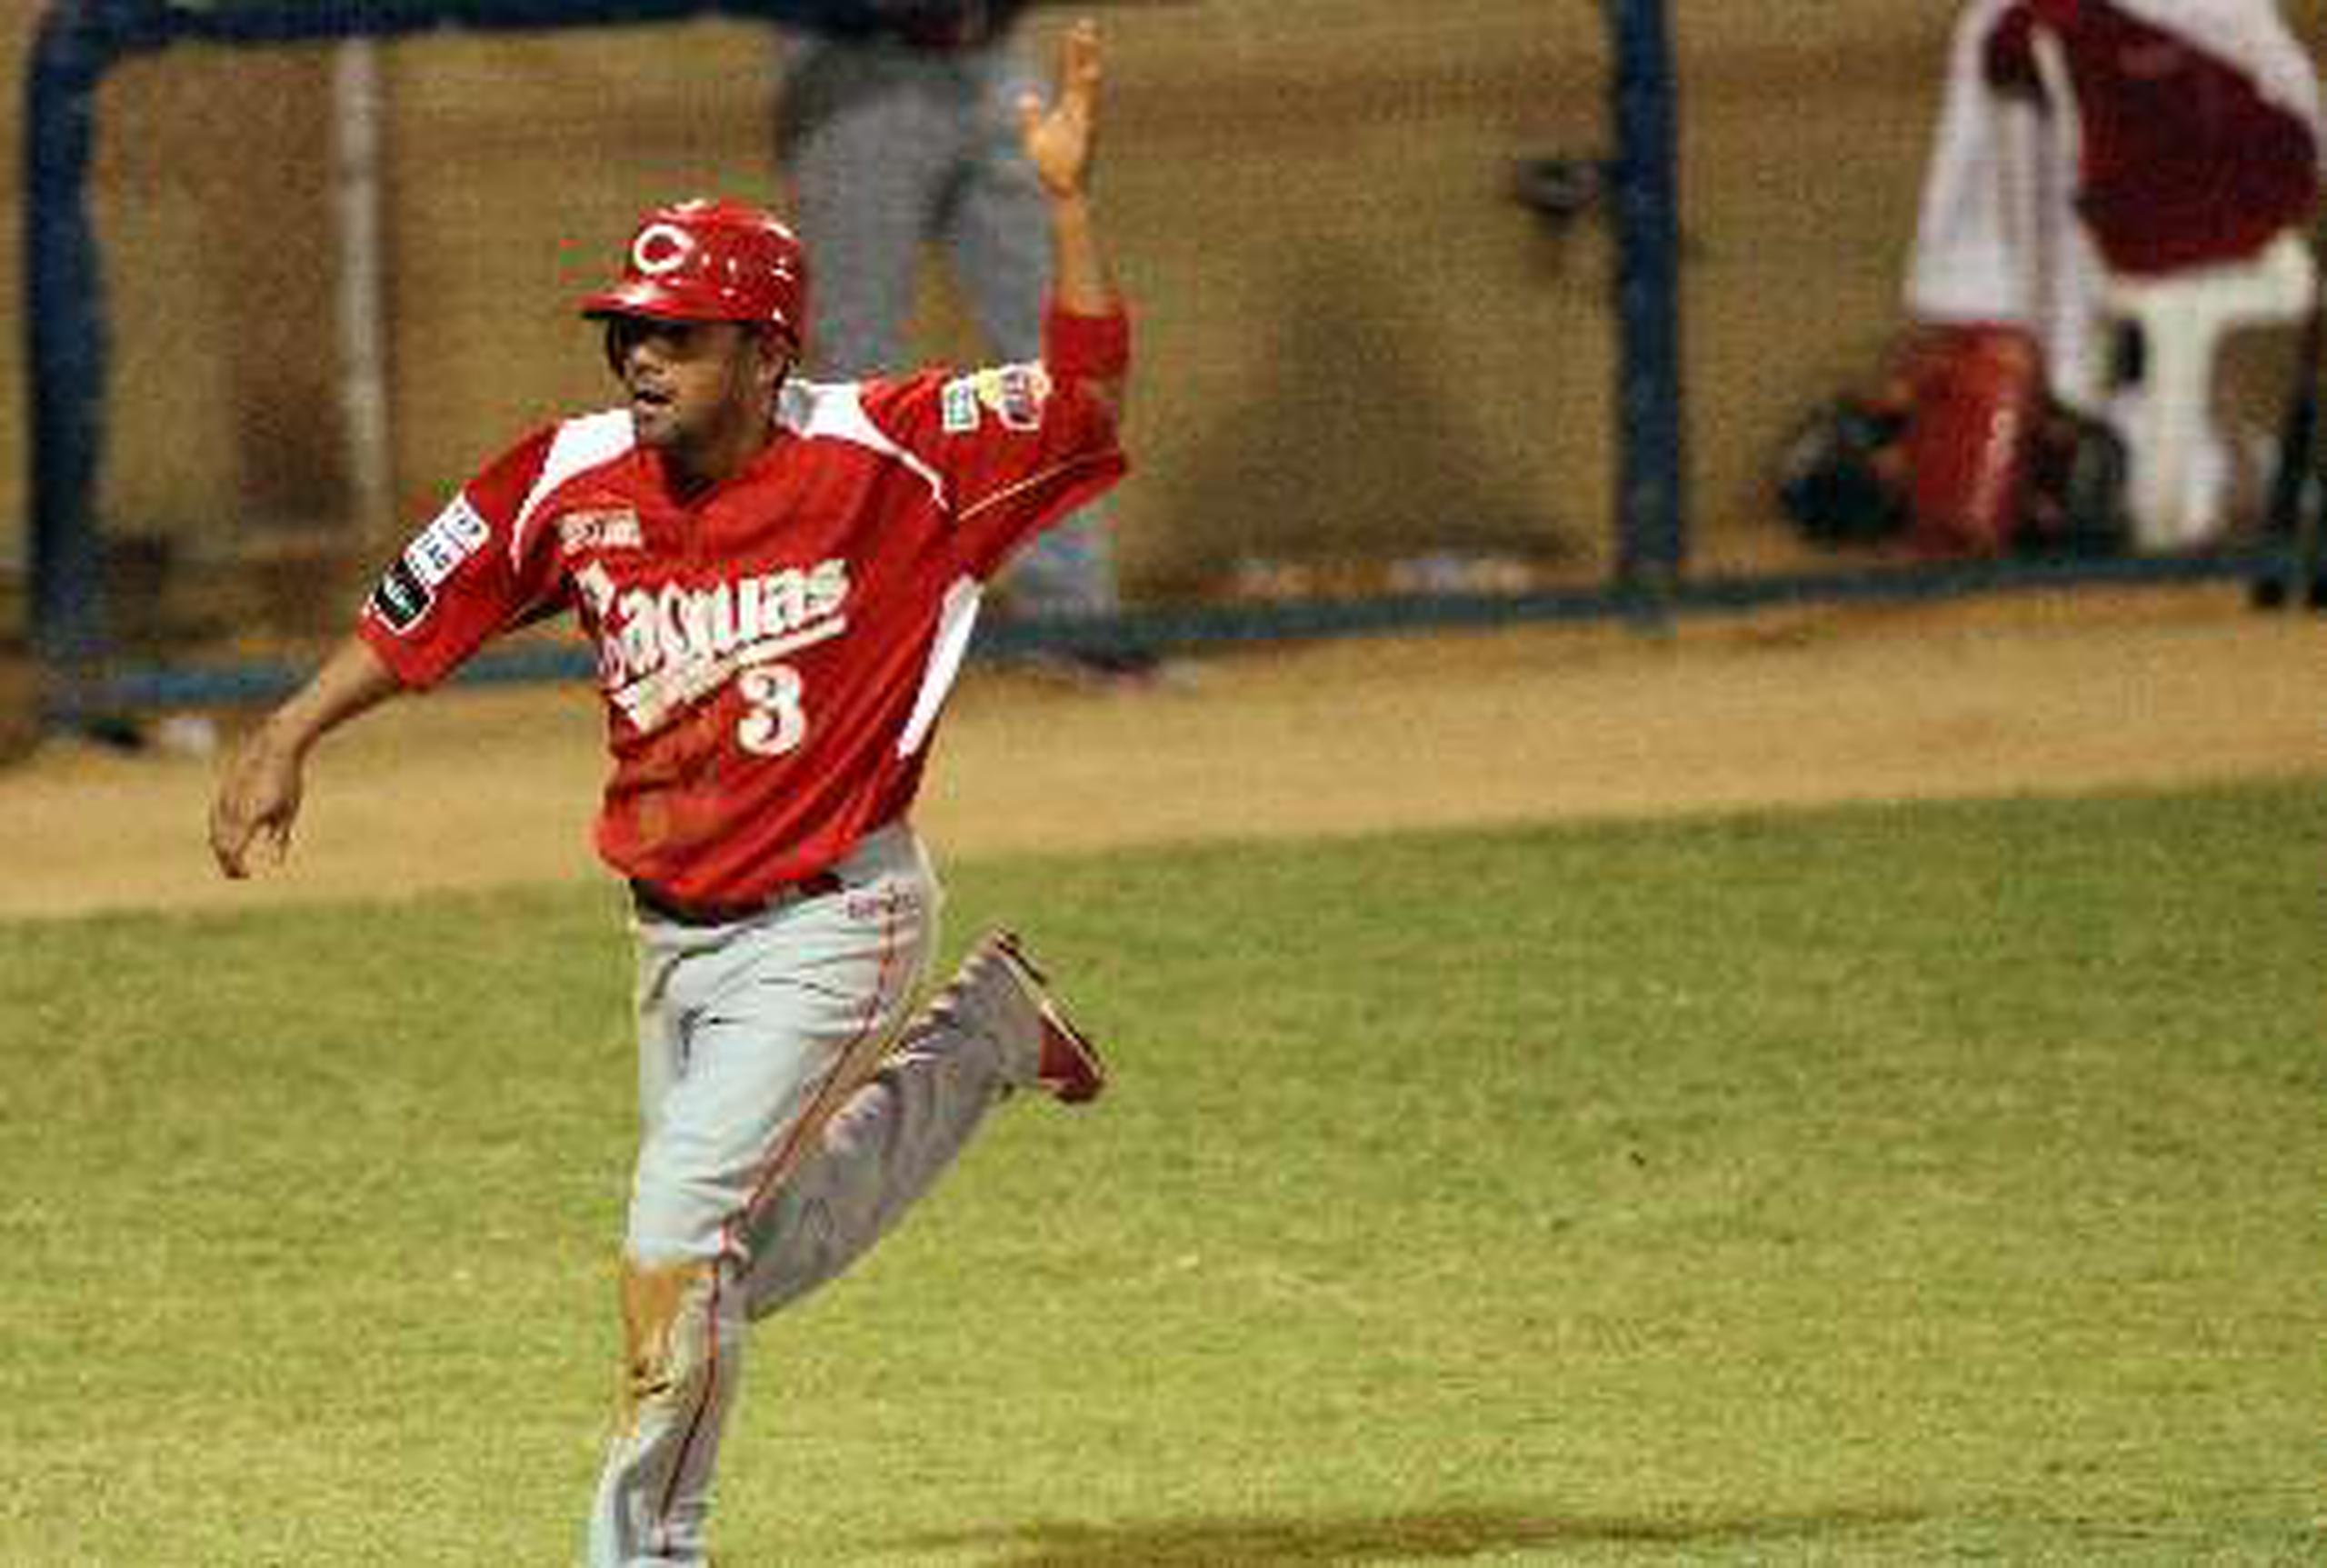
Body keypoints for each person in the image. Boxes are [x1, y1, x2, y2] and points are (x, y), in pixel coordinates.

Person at [207, 22, 1128, 1565]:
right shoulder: (567, 478)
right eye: (630, 328)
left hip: (838, 915)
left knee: (670, 1243)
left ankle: (645, 1555)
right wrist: (290, 729)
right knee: (737, 1261)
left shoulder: (890, 456)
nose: (642, 354)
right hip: (671, 936)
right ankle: (980, 1046)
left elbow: (1086, 407)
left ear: (768, 354)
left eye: (681, 334)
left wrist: (1070, 208)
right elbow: (424, 598)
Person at [774, 1, 1156, 683]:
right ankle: (850, 632)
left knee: (1053, 342)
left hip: (995, 60)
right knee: (855, 364)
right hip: (859, 67)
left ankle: (1074, 618)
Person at [1894, 0, 2320, 555]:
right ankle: (2144, 472)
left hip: (2100, 230)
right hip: (2206, 224)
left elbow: (2000, 56)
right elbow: (2302, 124)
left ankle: (2085, 438)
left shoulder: (2006, 17)